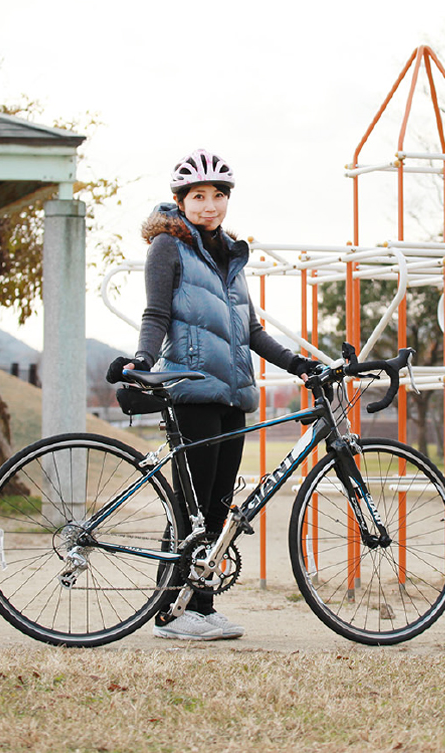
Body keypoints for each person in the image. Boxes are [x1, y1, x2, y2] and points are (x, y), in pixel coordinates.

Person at [107, 149, 317, 641]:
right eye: (198, 196)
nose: (210, 205)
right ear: (180, 201)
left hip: (232, 395)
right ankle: (174, 615)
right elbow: (156, 314)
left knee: (217, 511)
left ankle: (198, 606)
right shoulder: (168, 247)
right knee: (194, 509)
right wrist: (141, 360)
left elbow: (251, 332)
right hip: (191, 390)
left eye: (218, 195)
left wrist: (300, 365)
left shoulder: (230, 257)